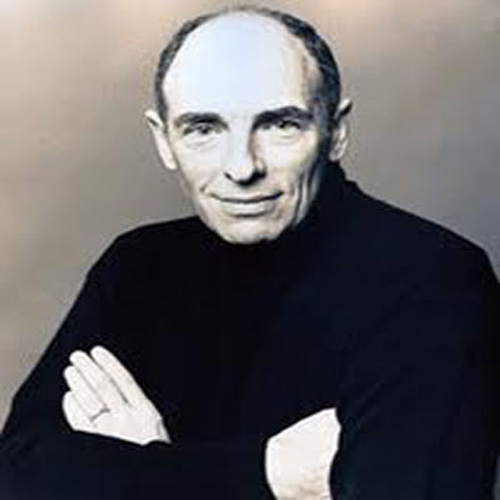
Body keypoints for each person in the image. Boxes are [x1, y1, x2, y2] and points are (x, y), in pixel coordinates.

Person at [1, 6, 499, 499]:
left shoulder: (436, 277)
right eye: (204, 129)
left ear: (336, 132)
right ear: (163, 139)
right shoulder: (137, 266)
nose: (241, 167)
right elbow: (17, 473)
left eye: (280, 125)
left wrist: (140, 469)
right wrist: (269, 472)